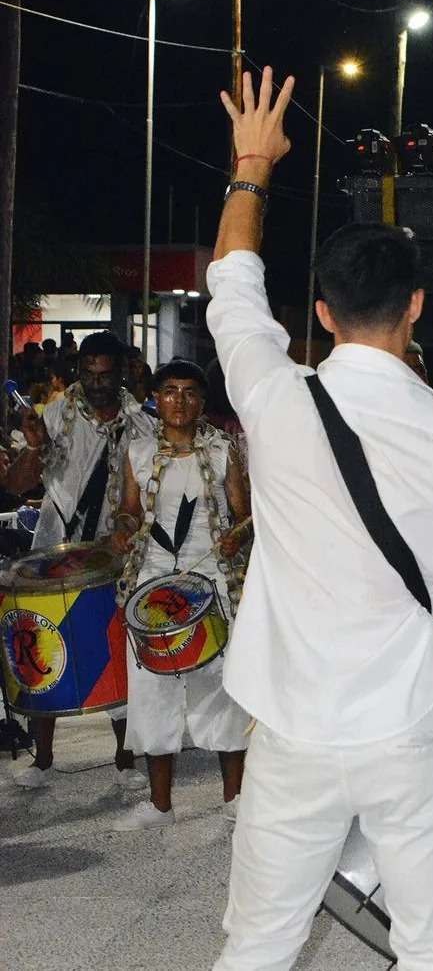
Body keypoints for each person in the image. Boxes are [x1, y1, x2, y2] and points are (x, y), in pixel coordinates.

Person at [208, 68, 433, 971]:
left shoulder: (270, 395)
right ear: (419, 307)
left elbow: (232, 283)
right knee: (431, 945)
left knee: (259, 941)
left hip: (294, 726)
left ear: (320, 313)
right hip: (410, 723)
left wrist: (252, 164)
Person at [6, 330, 154, 790]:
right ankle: (43, 759)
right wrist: (33, 446)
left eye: (105, 374)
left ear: (122, 372)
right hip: (55, 551)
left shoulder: (141, 425)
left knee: (113, 652)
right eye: (88, 374)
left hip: (114, 557)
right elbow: (17, 486)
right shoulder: (54, 415)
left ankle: (126, 759)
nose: (96, 383)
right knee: (46, 649)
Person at [108, 360, 251, 831]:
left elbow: (245, 515)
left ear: (202, 401)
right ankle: (160, 805)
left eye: (190, 393)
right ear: (156, 397)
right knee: (152, 691)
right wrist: (124, 531)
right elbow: (129, 512)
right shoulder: (139, 449)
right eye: (170, 391)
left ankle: (235, 798)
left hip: (210, 576)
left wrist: (236, 537)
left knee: (222, 687)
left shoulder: (224, 449)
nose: (180, 401)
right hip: (153, 580)